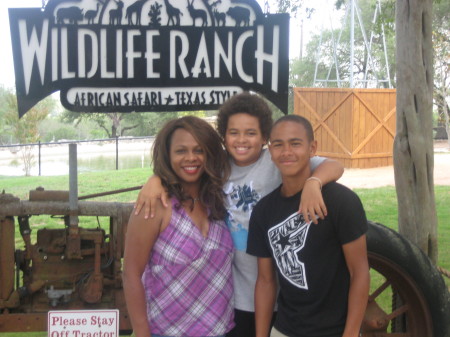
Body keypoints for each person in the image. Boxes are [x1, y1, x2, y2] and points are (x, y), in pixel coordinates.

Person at [134, 92, 344, 337]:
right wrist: (155, 179)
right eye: (234, 133)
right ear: (223, 136)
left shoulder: (276, 161)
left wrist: (314, 182)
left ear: (265, 137)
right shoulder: (216, 167)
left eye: (251, 133)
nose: (242, 140)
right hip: (238, 296)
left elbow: (335, 165)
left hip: (286, 291)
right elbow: (185, 168)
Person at [247, 114, 369, 337]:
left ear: (312, 148)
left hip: (336, 330)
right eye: (278, 145)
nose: (286, 152)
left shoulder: (341, 200)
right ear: (270, 151)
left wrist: (351, 333)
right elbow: (265, 281)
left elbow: (359, 271)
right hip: (285, 329)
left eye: (295, 143)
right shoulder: (263, 211)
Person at [123, 116, 235, 337]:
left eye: (199, 150)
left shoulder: (220, 198)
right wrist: (142, 332)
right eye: (181, 151)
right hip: (166, 331)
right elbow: (130, 273)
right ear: (168, 155)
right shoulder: (155, 205)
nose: (191, 158)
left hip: (223, 329)